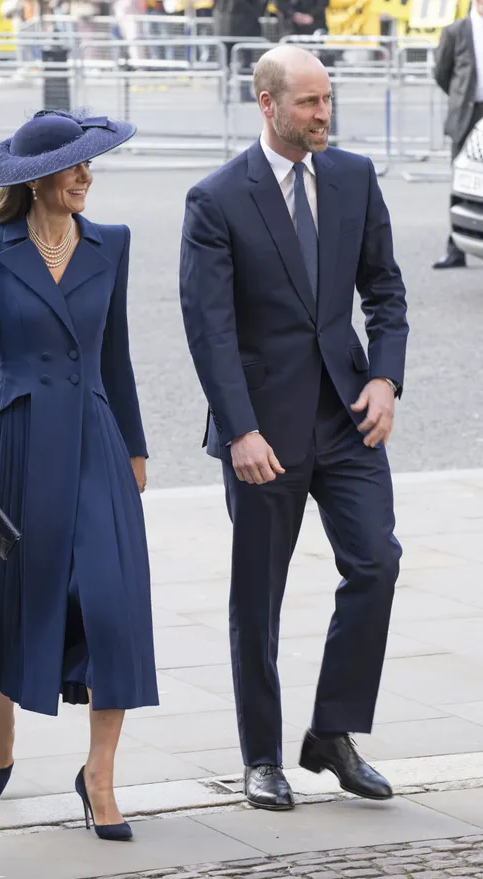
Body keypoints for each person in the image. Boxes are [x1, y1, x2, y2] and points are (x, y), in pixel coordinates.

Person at [179, 46, 408, 811]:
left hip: (347, 418)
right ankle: (263, 756)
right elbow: (208, 330)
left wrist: (384, 376)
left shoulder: (353, 176)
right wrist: (239, 430)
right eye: (308, 102)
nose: (323, 114)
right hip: (263, 435)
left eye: (328, 99)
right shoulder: (215, 200)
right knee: (259, 599)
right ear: (266, 103)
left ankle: (333, 733)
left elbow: (385, 288)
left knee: (376, 563)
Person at [0, 109, 159, 841]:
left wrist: (135, 447)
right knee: (24, 597)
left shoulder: (112, 243)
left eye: (89, 164)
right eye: (74, 167)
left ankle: (99, 775)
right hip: (23, 443)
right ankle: (2, 707)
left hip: (97, 441)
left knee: (113, 604)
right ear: (37, 181)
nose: (87, 176)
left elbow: (117, 352)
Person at [433, 0, 483, 269]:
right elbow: (442, 73)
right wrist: (461, 98)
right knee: (464, 180)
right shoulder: (456, 31)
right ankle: (456, 246)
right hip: (468, 114)